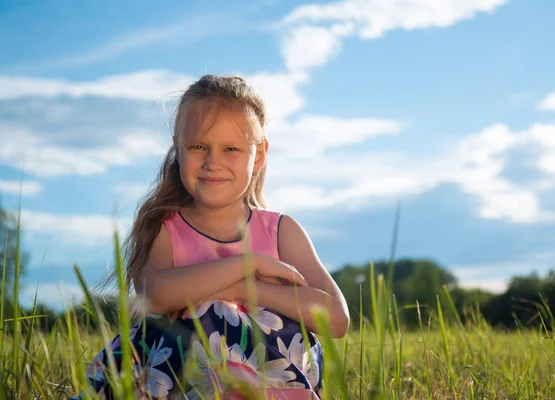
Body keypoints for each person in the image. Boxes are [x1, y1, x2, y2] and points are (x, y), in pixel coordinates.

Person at [77, 74, 350, 400]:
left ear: (259, 155)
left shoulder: (281, 232)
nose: (212, 162)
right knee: (210, 315)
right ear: (178, 148)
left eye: (231, 148)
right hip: (180, 380)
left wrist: (246, 289)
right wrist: (246, 265)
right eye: (198, 146)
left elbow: (335, 319)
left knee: (225, 316)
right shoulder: (167, 225)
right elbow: (152, 296)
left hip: (269, 378)